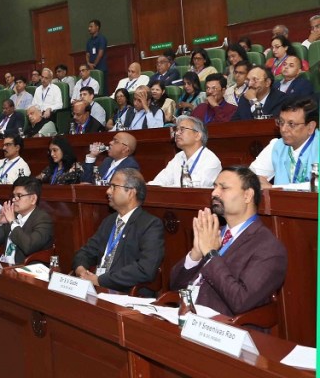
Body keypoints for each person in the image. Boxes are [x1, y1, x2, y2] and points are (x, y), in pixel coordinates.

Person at [169, 167, 287, 318]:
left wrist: (211, 254)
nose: (214, 193)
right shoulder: (214, 233)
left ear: (247, 195)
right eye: (214, 187)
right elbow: (175, 286)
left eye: (223, 188)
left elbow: (240, 301)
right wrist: (196, 254)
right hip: (187, 316)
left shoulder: (268, 247)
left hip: (223, 329)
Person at [72, 168, 164, 296]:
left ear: (131, 192)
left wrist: (100, 280)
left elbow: (145, 269)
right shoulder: (109, 221)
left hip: (126, 295)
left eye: (113, 186)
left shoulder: (150, 225)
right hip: (97, 290)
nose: (108, 191)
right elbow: (86, 252)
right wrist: (81, 270)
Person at [249, 98, 318, 188]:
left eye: (291, 124)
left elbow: (316, 186)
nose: (283, 129)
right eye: (281, 122)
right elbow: (249, 177)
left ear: (310, 127)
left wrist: (274, 189)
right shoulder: (277, 146)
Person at [0, 177, 54, 266]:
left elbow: (29, 247)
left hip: (29, 272)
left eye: (19, 196)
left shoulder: (43, 219)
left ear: (33, 199)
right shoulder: (12, 215)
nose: (14, 200)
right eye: (13, 196)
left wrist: (12, 222)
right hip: (7, 268)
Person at [150, 115, 223, 188]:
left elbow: (193, 188)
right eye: (176, 130)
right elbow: (160, 180)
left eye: (182, 129)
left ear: (197, 135)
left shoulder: (211, 160)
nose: (177, 133)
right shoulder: (179, 157)